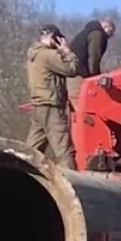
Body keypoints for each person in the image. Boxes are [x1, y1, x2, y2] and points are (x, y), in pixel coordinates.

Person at [26, 24, 79, 169]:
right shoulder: (48, 55)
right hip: (51, 106)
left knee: (32, 150)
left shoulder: (33, 54)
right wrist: (67, 51)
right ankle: (71, 181)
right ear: (54, 37)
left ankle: (19, 175)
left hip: (39, 105)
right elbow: (72, 69)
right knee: (64, 150)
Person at [66, 18, 116, 112]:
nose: (111, 35)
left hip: (72, 73)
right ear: (105, 26)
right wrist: (95, 78)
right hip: (79, 75)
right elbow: (94, 58)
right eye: (111, 31)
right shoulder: (96, 34)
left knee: (74, 104)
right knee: (82, 106)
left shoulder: (86, 33)